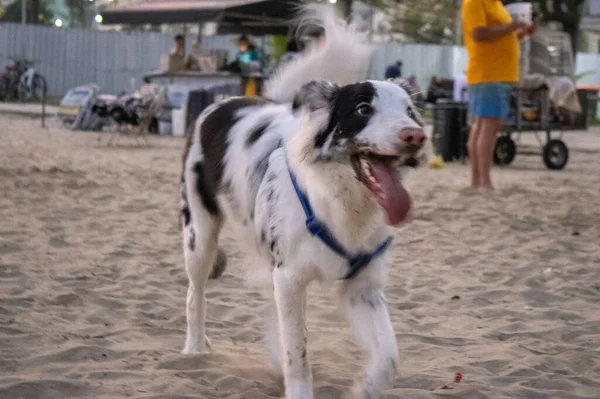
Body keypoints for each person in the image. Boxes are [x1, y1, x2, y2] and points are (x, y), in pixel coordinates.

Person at [462, 0, 534, 190]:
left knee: (481, 127)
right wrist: (511, 26)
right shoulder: (476, 2)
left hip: (494, 74)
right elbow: (479, 34)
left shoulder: (495, 4)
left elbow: (498, 37)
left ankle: (477, 181)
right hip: (489, 74)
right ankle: (484, 181)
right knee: (489, 127)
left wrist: (519, 33)